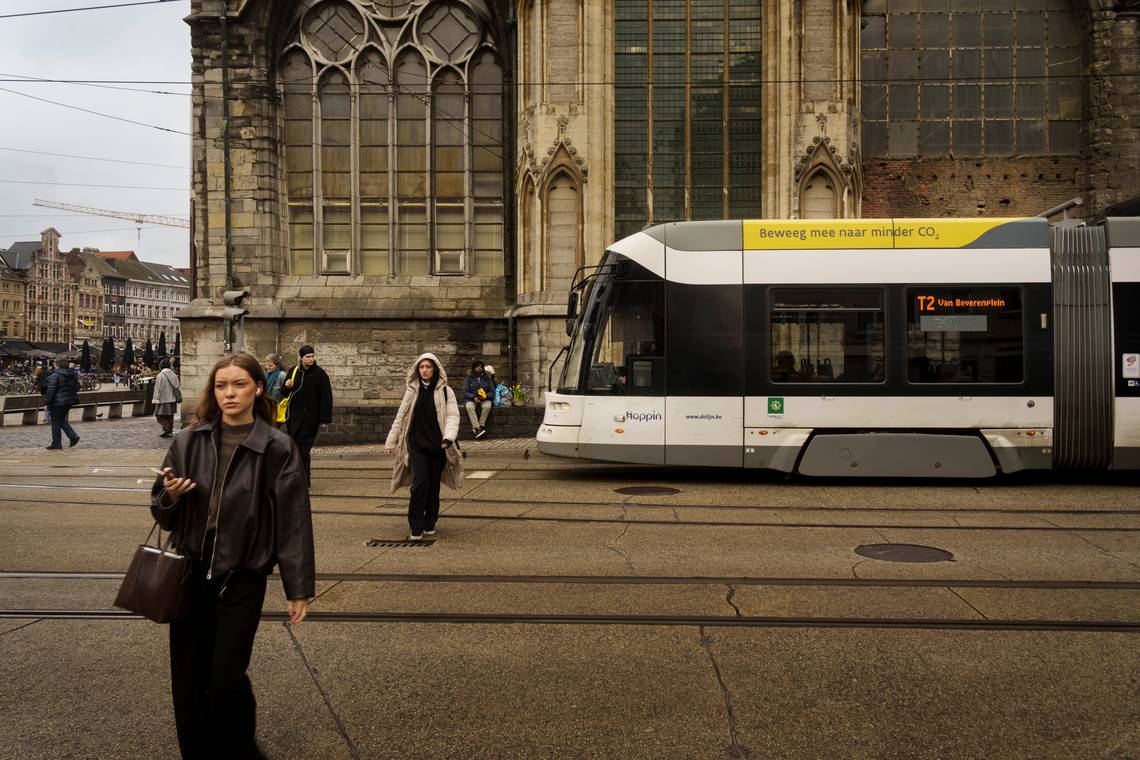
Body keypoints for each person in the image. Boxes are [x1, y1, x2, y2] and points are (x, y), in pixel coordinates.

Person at [151, 352, 314, 760]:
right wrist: (169, 497)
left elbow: (293, 523)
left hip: (241, 579)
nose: (229, 393)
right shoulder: (188, 441)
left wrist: (298, 588)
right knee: (189, 681)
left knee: (226, 679)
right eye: (221, 385)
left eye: (239, 384)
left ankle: (240, 752)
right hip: (188, 575)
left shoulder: (277, 447)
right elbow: (161, 512)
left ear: (258, 387)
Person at [385, 353, 462, 540]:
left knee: (433, 486)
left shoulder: (445, 391)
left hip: (438, 446)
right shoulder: (412, 390)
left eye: (428, 367)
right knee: (420, 484)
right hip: (416, 445)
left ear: (435, 368)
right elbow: (401, 416)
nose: (425, 370)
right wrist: (391, 440)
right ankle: (416, 525)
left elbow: (453, 416)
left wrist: (448, 437)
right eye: (421, 367)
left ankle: (430, 521)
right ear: (417, 370)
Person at [282, 345, 333, 482]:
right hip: (293, 417)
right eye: (308, 357)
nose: (311, 359)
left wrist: (324, 419)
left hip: (311, 418)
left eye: (312, 356)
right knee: (295, 447)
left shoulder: (320, 374)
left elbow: (326, 397)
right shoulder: (293, 371)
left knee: (302, 448)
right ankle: (303, 478)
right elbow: (284, 394)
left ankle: (302, 479)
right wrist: (286, 386)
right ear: (301, 358)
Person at [43, 357, 80, 450]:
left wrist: (47, 403)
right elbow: (77, 387)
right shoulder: (72, 374)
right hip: (68, 401)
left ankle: (57, 443)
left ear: (57, 365)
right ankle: (73, 436)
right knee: (61, 420)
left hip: (57, 402)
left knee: (55, 422)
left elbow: (51, 391)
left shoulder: (55, 375)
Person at [463, 359, 495, 439]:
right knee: (469, 407)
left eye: (481, 366)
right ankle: (477, 428)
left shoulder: (487, 378)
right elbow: (465, 391)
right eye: (477, 367)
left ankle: (480, 426)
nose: (479, 368)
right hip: (472, 399)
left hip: (485, 399)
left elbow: (492, 392)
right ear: (473, 369)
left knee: (487, 407)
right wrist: (473, 397)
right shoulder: (468, 378)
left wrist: (485, 396)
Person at [152, 358, 181, 438]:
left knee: (159, 415)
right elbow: (177, 386)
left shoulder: (160, 375)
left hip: (163, 399)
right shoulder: (174, 375)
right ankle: (169, 432)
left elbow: (157, 388)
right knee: (170, 416)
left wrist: (155, 399)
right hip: (172, 399)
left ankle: (166, 428)